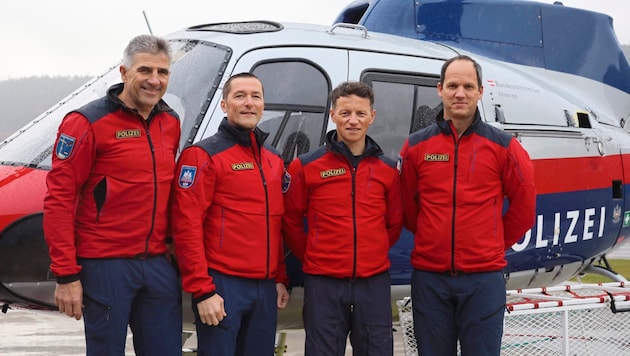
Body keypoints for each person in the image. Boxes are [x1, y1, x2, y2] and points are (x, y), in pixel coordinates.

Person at [43, 34, 182, 355]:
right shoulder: (86, 123)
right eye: (145, 70)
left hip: (157, 263)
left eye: (162, 73)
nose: (154, 80)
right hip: (106, 265)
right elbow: (59, 199)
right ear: (123, 72)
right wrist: (66, 274)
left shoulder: (169, 121)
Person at [398, 55, 537, 355]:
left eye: (467, 86)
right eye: (452, 85)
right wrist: (432, 237)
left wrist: (490, 243)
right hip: (430, 280)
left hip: (483, 281)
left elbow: (524, 210)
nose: (459, 93)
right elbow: (407, 206)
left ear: (480, 92)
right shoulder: (416, 146)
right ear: (439, 90)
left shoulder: (504, 146)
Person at [170, 72, 290, 355]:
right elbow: (186, 226)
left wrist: (280, 277)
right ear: (224, 105)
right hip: (223, 285)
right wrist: (202, 290)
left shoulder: (273, 159)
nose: (248, 103)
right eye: (240, 96)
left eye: (255, 97)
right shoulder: (203, 156)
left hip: (264, 287)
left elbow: (276, 223)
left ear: (263, 105)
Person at [283, 81, 403, 355]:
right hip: (324, 284)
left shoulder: (386, 169)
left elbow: (394, 223)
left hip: (372, 282)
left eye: (360, 114)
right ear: (332, 114)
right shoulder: (306, 166)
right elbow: (290, 221)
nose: (353, 121)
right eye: (345, 113)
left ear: (372, 117)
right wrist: (316, 256)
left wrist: (370, 254)